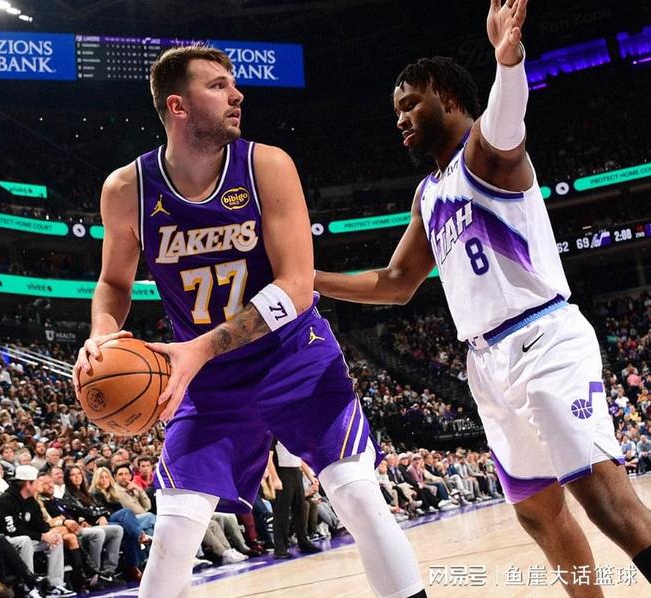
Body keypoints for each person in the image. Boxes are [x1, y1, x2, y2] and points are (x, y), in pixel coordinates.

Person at [314, 0, 651, 592]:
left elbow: (507, 115)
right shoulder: (427, 193)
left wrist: (508, 62)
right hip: (486, 362)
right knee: (537, 512)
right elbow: (396, 282)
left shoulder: (486, 152)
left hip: (543, 338)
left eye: (409, 104)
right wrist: (309, 280)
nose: (400, 119)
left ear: (447, 98)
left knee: (601, 495)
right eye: (396, 111)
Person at [72, 45, 426, 598]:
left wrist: (201, 348)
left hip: (293, 355)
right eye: (217, 86)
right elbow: (114, 283)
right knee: (174, 529)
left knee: (356, 492)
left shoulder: (267, 165)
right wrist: (102, 331)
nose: (237, 95)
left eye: (232, 84)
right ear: (177, 105)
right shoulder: (127, 189)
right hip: (207, 380)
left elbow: (297, 286)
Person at [0, 465, 76, 597]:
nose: (39, 484)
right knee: (25, 541)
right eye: (36, 481)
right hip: (6, 542)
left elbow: (41, 526)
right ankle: (29, 587)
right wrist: (41, 536)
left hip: (28, 540)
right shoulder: (5, 501)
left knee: (56, 537)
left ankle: (55, 584)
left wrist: (48, 534)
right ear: (28, 484)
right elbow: (12, 531)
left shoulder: (31, 501)